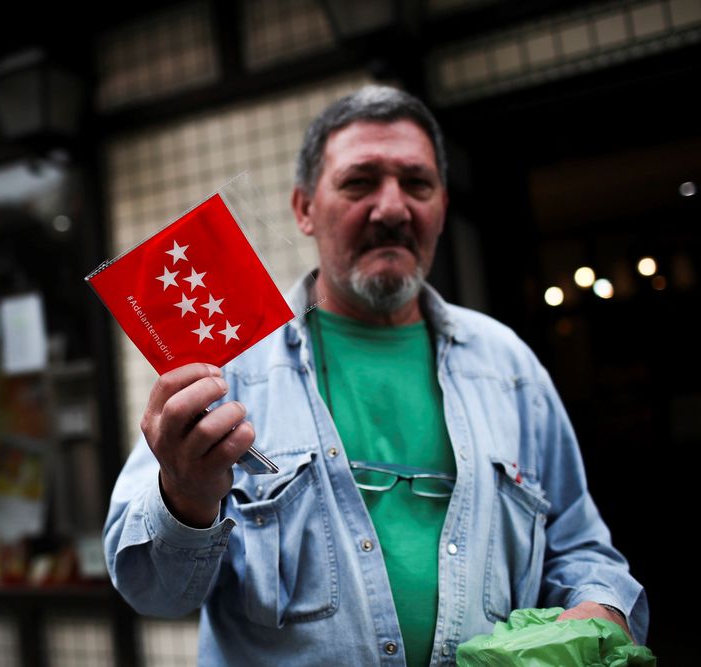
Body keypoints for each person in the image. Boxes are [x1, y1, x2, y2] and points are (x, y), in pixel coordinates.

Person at [104, 85, 647, 665]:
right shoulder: (228, 368)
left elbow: (581, 549)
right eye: (359, 182)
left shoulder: (507, 366)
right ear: (304, 209)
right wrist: (184, 495)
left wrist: (600, 607)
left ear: (441, 208)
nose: (392, 209)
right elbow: (151, 593)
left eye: (417, 184)